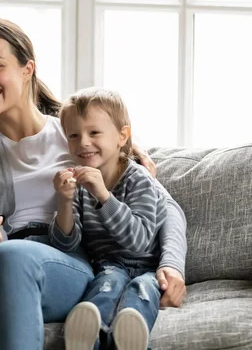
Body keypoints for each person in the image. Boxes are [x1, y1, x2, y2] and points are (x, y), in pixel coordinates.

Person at [0, 18, 187, 350]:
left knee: (11, 257)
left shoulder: (77, 135)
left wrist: (171, 266)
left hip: (66, 260)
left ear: (26, 69)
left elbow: (167, 208)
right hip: (4, 255)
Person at [52, 88, 176, 350]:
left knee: (140, 291)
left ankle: (128, 338)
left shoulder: (138, 179)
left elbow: (138, 242)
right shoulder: (77, 183)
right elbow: (66, 244)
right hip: (108, 264)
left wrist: (104, 196)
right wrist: (64, 201)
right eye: (74, 135)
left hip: (148, 267)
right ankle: (87, 335)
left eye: (94, 133)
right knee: (106, 285)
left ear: (122, 136)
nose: (83, 142)